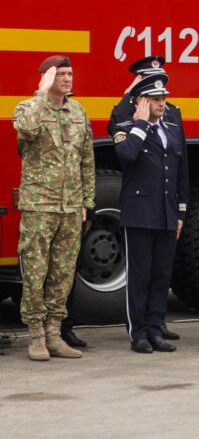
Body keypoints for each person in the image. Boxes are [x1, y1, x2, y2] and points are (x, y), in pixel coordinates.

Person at [13, 55, 95, 361]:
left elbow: (87, 160)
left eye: (69, 74)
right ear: (47, 77)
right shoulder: (27, 108)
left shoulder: (78, 112)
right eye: (61, 74)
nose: (68, 79)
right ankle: (35, 335)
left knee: (63, 273)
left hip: (70, 206)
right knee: (36, 272)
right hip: (39, 205)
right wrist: (41, 93)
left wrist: (87, 203)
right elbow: (26, 129)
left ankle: (54, 333)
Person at [105, 55, 184, 342]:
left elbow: (181, 169)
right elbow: (126, 152)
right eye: (155, 96)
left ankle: (155, 326)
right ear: (141, 98)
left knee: (162, 273)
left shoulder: (172, 123)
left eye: (163, 96)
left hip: (166, 210)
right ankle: (138, 332)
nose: (163, 102)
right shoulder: (128, 120)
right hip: (140, 209)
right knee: (140, 274)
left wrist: (181, 211)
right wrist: (138, 119)